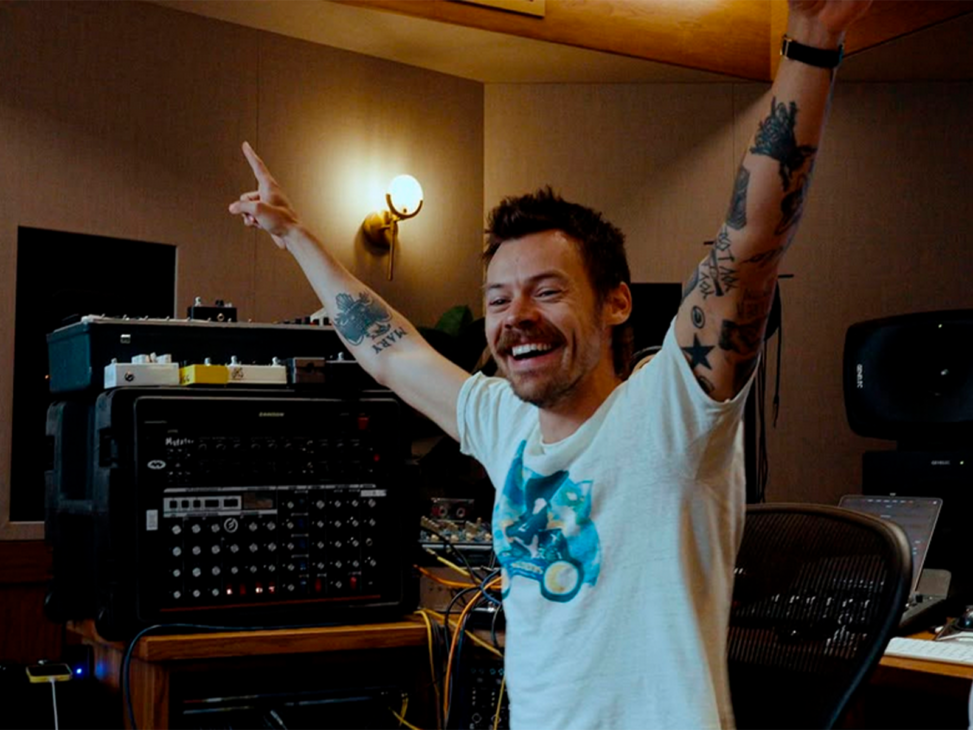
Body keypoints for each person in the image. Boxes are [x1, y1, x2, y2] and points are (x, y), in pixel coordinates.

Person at [229, 1, 872, 726]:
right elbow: (390, 349)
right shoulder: (504, 421)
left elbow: (748, 244)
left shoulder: (671, 411)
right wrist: (293, 235)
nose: (516, 317)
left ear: (617, 302)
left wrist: (812, 42)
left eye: (547, 291)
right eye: (498, 299)